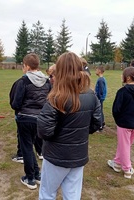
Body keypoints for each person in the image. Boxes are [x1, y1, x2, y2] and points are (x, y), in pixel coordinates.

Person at [37, 52, 102, 199]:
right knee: (72, 194)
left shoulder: (56, 97)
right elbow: (96, 122)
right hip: (76, 155)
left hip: (58, 156)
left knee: (48, 193)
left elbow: (43, 130)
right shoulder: (90, 95)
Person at [11, 53, 51, 190]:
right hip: (40, 119)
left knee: (26, 148)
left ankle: (30, 178)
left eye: (23, 65)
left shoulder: (23, 82)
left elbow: (16, 103)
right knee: (31, 147)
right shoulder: (47, 82)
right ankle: (37, 174)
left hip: (25, 119)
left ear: (27, 66)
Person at [108, 67, 134, 179]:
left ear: (128, 77)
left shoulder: (123, 91)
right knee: (125, 145)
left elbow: (116, 109)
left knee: (125, 145)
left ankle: (127, 169)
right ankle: (116, 163)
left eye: (122, 75)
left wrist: (119, 121)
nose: (121, 76)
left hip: (125, 124)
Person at [95, 65, 107, 131]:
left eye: (96, 70)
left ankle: (100, 126)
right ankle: (102, 123)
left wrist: (98, 98)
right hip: (101, 98)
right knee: (100, 110)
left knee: (99, 111)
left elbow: (101, 90)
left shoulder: (100, 80)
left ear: (99, 71)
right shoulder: (102, 79)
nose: (95, 71)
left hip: (100, 98)